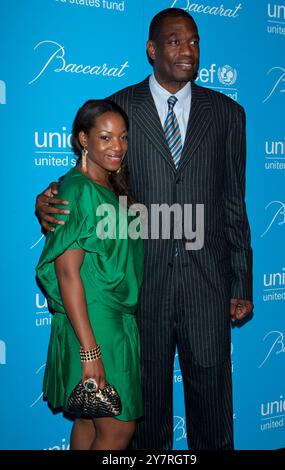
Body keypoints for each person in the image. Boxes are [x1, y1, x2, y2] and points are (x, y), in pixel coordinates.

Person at [36, 8, 253, 450]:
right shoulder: (121, 107)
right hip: (141, 287)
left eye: (193, 41)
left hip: (207, 285)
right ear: (152, 49)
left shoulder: (228, 113)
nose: (186, 50)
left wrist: (241, 280)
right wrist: (46, 201)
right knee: (143, 415)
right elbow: (89, 181)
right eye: (174, 41)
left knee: (213, 409)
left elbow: (234, 201)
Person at [36, 99, 143, 450]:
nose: (118, 147)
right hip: (97, 323)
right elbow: (67, 273)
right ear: (83, 140)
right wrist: (90, 352)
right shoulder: (77, 191)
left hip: (112, 319)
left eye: (123, 138)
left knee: (90, 419)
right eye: (106, 137)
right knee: (117, 431)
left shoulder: (109, 185)